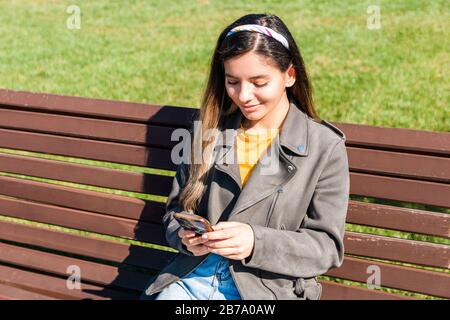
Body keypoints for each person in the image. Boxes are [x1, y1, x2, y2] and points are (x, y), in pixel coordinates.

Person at [141, 13, 349, 300]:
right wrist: (185, 237)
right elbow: (176, 212)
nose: (244, 95)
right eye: (232, 81)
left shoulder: (324, 147)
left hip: (264, 290)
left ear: (289, 75)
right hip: (193, 280)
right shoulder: (209, 131)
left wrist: (256, 242)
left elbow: (326, 247)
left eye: (259, 82)